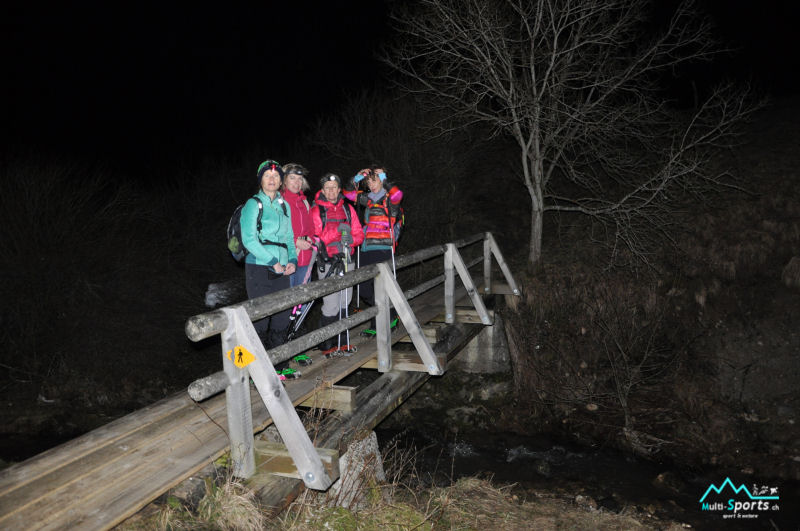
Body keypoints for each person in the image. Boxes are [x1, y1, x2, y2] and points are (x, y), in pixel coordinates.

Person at [241, 159, 297, 349]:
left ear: (281, 182)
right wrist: (272, 261)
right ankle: (255, 374)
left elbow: (289, 237)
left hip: (282, 270)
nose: (272, 179)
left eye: (276, 176)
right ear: (261, 180)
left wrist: (292, 260)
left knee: (282, 318)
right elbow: (249, 240)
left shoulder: (284, 206)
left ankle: (280, 367)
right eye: (267, 175)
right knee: (261, 320)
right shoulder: (253, 204)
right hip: (258, 267)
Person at [311, 173, 364, 350]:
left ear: (339, 189)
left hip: (347, 259)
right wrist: (337, 232)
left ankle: (342, 340)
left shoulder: (348, 209)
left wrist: (351, 239)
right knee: (331, 303)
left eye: (334, 187)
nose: (331, 191)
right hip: (327, 262)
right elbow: (315, 238)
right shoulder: (316, 211)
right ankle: (327, 343)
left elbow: (359, 234)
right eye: (328, 187)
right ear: (323, 190)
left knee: (345, 301)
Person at [344, 165, 403, 315]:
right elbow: (348, 194)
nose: (371, 185)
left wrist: (384, 178)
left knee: (381, 286)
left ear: (382, 181)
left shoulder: (390, 200)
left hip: (383, 247)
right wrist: (357, 178)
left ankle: (380, 321)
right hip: (366, 247)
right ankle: (387, 312)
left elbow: (398, 195)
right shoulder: (369, 199)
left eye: (374, 181)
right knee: (362, 287)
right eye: (369, 182)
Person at [281, 163, 315, 288]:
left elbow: (311, 228)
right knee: (286, 300)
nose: (297, 182)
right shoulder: (279, 202)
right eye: (292, 178)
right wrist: (296, 242)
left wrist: (312, 242)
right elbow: (274, 231)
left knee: (303, 299)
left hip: (306, 257)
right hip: (287, 259)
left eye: (300, 179)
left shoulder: (304, 202)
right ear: (284, 180)